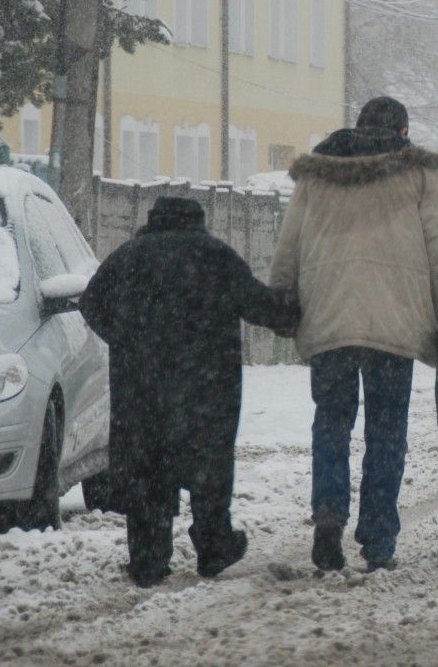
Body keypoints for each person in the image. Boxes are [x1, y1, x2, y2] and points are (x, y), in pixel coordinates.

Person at [270, 95, 438, 574]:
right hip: (394, 323)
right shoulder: (420, 174)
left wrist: (281, 305)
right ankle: (378, 540)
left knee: (332, 421)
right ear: (403, 133)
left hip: (329, 319)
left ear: (355, 129)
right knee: (386, 430)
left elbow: (290, 244)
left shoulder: (317, 173)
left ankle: (329, 512)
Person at [80, 196, 299, 587]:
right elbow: (259, 305)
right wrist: (297, 305)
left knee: (147, 467)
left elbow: (91, 303)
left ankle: (148, 558)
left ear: (152, 221)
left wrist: (125, 339)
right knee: (208, 466)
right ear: (198, 223)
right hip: (206, 386)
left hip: (141, 387)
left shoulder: (128, 256)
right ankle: (214, 547)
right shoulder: (214, 254)